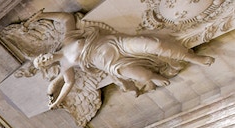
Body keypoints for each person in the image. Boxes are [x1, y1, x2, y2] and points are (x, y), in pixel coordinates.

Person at [26, 10, 213, 105]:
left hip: (114, 44)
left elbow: (66, 17)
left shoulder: (67, 39)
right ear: (48, 65)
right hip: (112, 64)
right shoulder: (65, 65)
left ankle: (193, 58)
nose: (44, 59)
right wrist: (57, 101)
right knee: (142, 75)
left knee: (155, 45)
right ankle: (152, 78)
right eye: (43, 62)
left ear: (44, 54)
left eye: (42, 57)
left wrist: (43, 15)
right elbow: (68, 84)